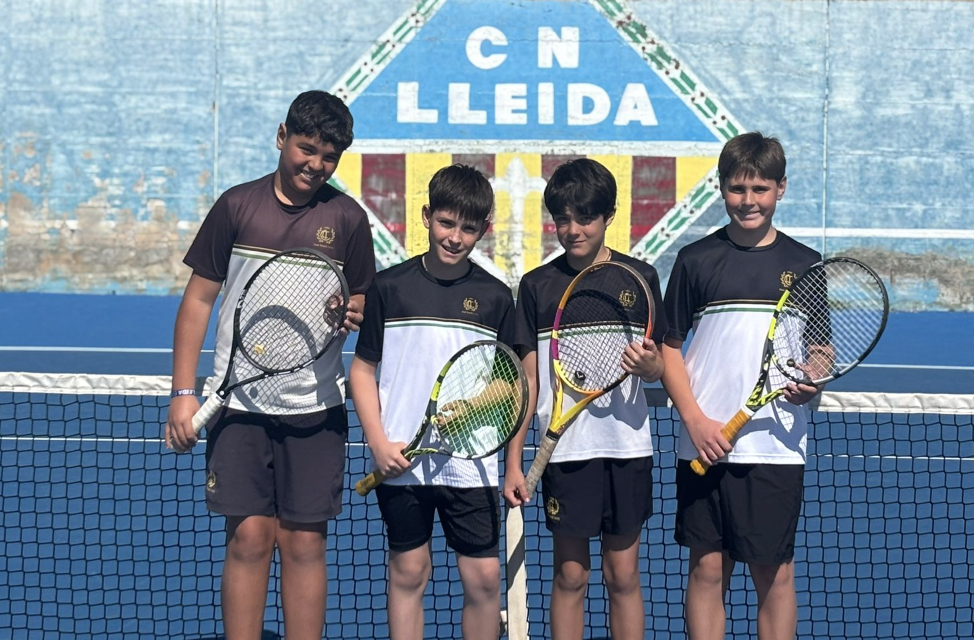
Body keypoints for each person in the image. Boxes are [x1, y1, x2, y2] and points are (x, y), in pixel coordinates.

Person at [165, 90, 375, 640]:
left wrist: (354, 307)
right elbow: (198, 301)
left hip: (315, 408)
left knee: (304, 543)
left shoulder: (348, 219)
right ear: (282, 137)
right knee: (249, 538)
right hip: (238, 405)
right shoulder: (237, 207)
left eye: (329, 157)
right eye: (306, 148)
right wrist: (183, 393)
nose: (315, 164)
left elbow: (361, 298)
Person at [660, 131, 822, 640]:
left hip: (776, 445)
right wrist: (695, 421)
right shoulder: (694, 260)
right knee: (707, 569)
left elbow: (821, 350)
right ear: (721, 188)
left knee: (773, 573)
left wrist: (813, 378)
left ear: (780, 188)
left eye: (760, 189)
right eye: (737, 188)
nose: (748, 200)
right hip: (704, 440)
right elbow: (668, 347)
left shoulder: (806, 264)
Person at [503, 158, 667, 640]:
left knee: (623, 576)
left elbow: (659, 367)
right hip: (565, 453)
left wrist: (651, 367)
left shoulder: (640, 277)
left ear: (609, 216)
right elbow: (527, 384)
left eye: (585, 218)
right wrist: (514, 462)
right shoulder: (537, 287)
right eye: (562, 219)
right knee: (570, 576)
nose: (572, 230)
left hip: (627, 449)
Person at [348, 164, 514, 640]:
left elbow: (510, 383)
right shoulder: (389, 288)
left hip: (471, 463)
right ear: (426, 216)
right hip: (400, 459)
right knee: (409, 570)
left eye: (468, 228)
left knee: (484, 579)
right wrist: (378, 443)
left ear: (484, 229)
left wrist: (475, 405)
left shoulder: (495, 296)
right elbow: (362, 370)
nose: (455, 237)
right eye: (446, 223)